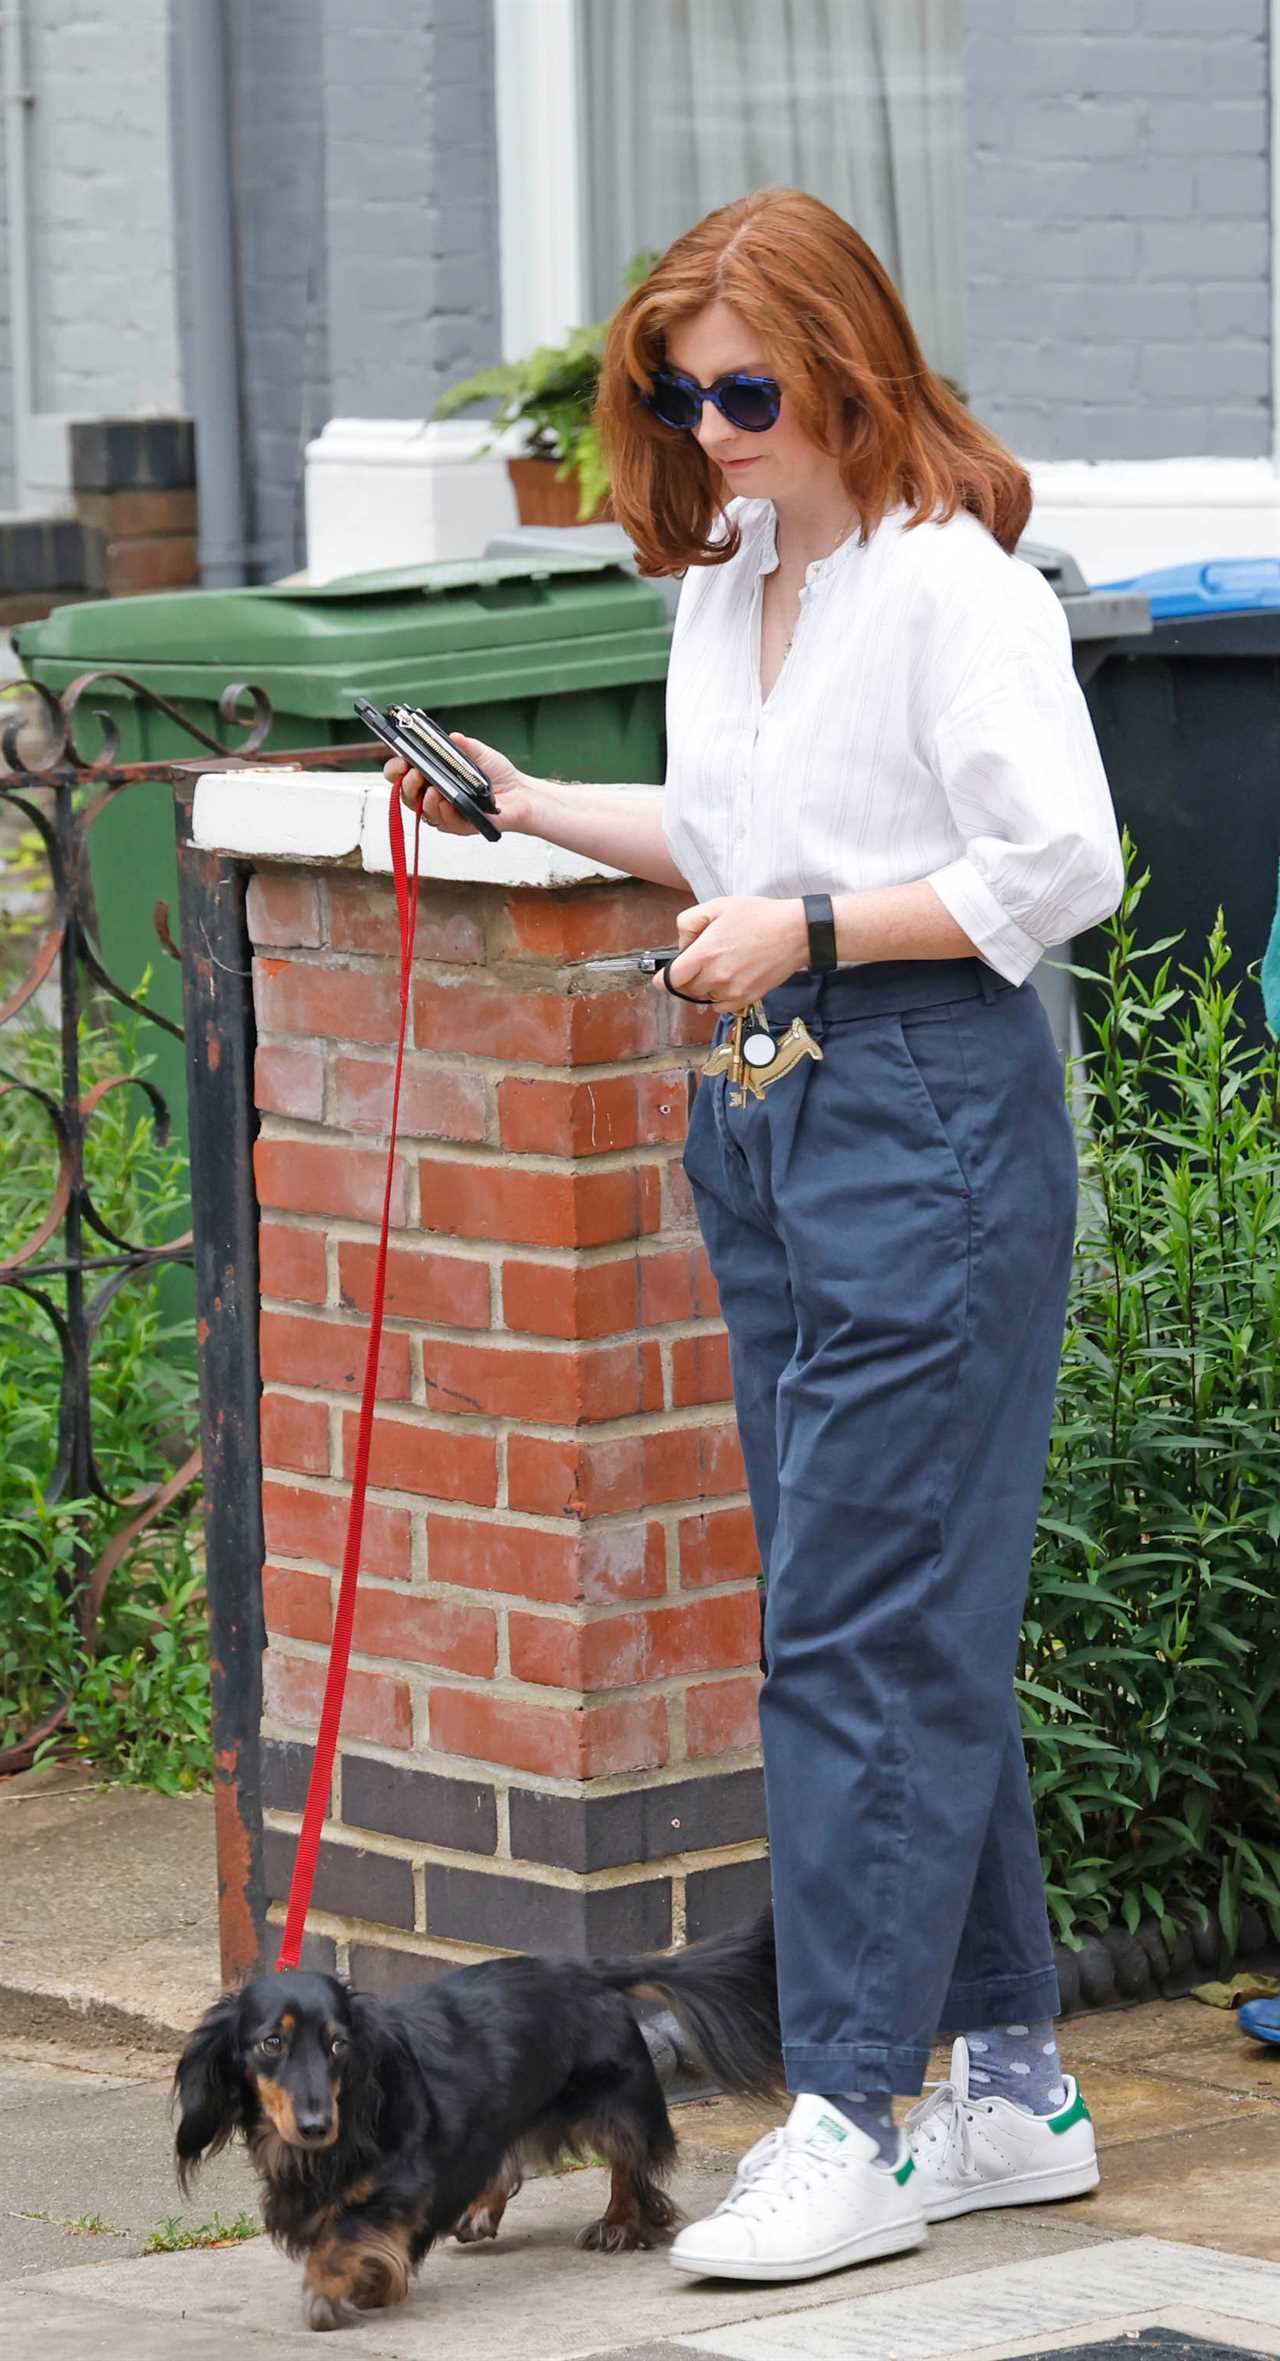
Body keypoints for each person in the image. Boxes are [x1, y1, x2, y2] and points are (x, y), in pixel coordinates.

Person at [388, 187, 1121, 2285]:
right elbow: (733, 837)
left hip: (921, 1103)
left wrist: (804, 928)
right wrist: (532, 802)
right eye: (670, 389)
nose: (705, 426)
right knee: (871, 1600)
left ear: (841, 361)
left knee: (851, 1627)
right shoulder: (741, 583)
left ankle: (852, 2111)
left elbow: (1056, 857)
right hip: (772, 1109)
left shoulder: (945, 583)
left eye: (740, 387)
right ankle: (1009, 2087)